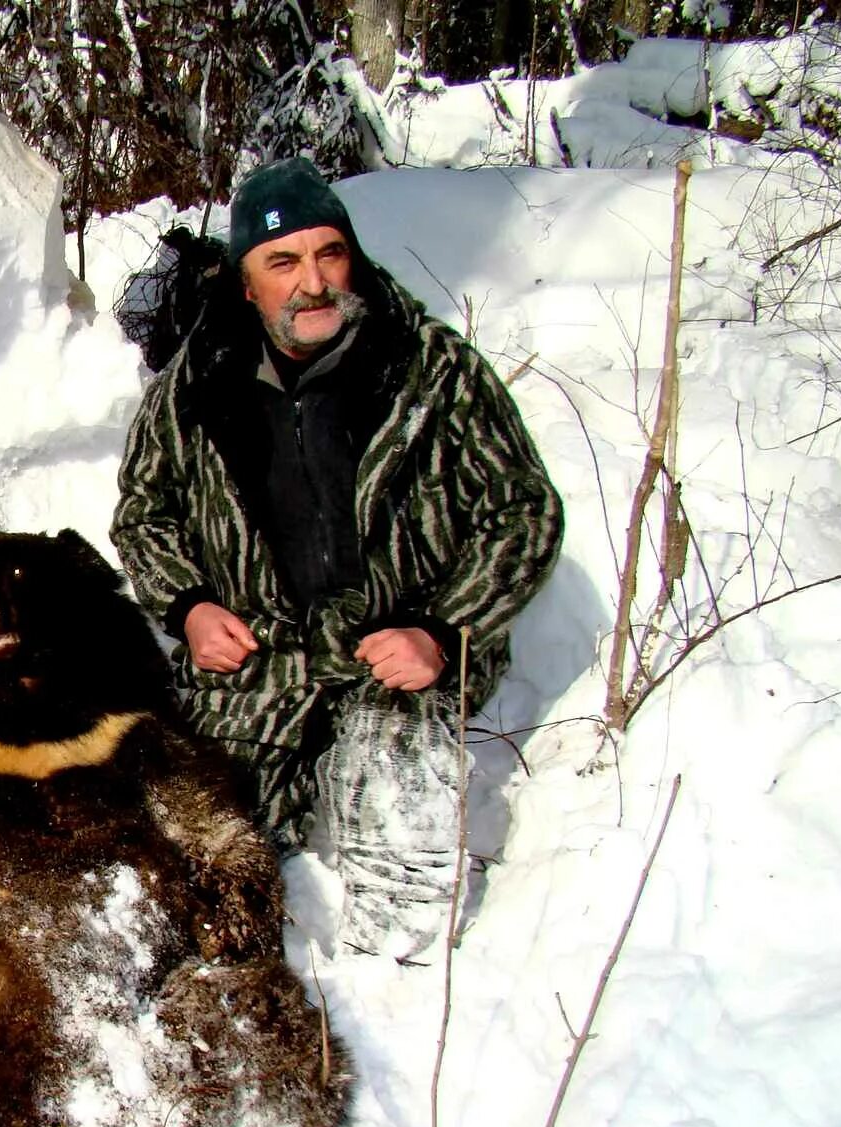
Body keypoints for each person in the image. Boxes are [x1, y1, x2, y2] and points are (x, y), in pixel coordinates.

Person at [111, 157, 563, 958]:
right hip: (261, 657)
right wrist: (188, 607)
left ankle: (392, 998)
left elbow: (522, 513)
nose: (312, 282)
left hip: (396, 653)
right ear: (246, 283)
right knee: (187, 866)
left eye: (330, 254)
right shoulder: (196, 384)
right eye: (282, 263)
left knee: (409, 908)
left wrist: (441, 629)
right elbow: (146, 512)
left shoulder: (429, 369)